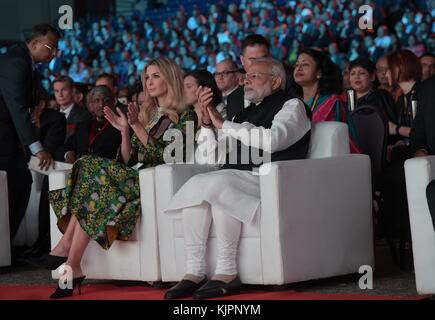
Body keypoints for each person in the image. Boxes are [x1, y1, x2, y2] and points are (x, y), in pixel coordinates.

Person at [31, 58, 196, 299]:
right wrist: (125, 132)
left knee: (89, 167)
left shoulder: (187, 116)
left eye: (156, 76)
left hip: (150, 185)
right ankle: (73, 264)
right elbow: (128, 159)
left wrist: (137, 126)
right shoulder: (148, 113)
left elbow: (172, 158)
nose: (149, 82)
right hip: (130, 177)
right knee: (90, 179)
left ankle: (66, 247)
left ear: (170, 77)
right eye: (147, 77)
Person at [164, 57, 311, 300]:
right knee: (204, 184)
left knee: (218, 183)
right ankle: (195, 271)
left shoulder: (292, 105)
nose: (246, 81)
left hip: (269, 179)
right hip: (235, 177)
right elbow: (215, 158)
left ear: (275, 81)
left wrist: (225, 125)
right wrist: (208, 125)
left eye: (254, 76)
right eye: (246, 76)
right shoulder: (244, 113)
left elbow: (275, 139)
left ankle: (226, 271)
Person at [0, 24, 61, 246]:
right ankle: (5, 246)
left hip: (8, 136)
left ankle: (6, 247)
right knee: (19, 182)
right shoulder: (16, 62)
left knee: (19, 182)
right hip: (2, 136)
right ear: (34, 44)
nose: (54, 53)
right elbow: (17, 108)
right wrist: (37, 147)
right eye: (51, 47)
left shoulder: (25, 61)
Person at [293, 48, 360, 153]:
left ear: (319, 73)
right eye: (296, 65)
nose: (299, 68)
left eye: (305, 64)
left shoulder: (332, 102)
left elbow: (335, 143)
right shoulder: (294, 103)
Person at [54, 85, 122, 163]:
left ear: (113, 102)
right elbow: (63, 148)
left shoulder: (120, 126)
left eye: (106, 100)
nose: (101, 104)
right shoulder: (83, 126)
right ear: (91, 104)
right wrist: (69, 153)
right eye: (96, 100)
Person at [348, 57, 397, 141]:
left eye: (362, 73)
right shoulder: (345, 100)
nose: (357, 77)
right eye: (353, 74)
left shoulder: (381, 96)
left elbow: (388, 126)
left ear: (372, 77)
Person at [226, 34, 270, 120]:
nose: (257, 64)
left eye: (262, 59)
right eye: (252, 59)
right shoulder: (233, 98)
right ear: (242, 60)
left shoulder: (283, 87)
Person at [52, 76, 92, 143]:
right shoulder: (52, 115)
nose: (60, 95)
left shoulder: (84, 115)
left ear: (72, 91)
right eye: (56, 91)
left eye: (63, 90)